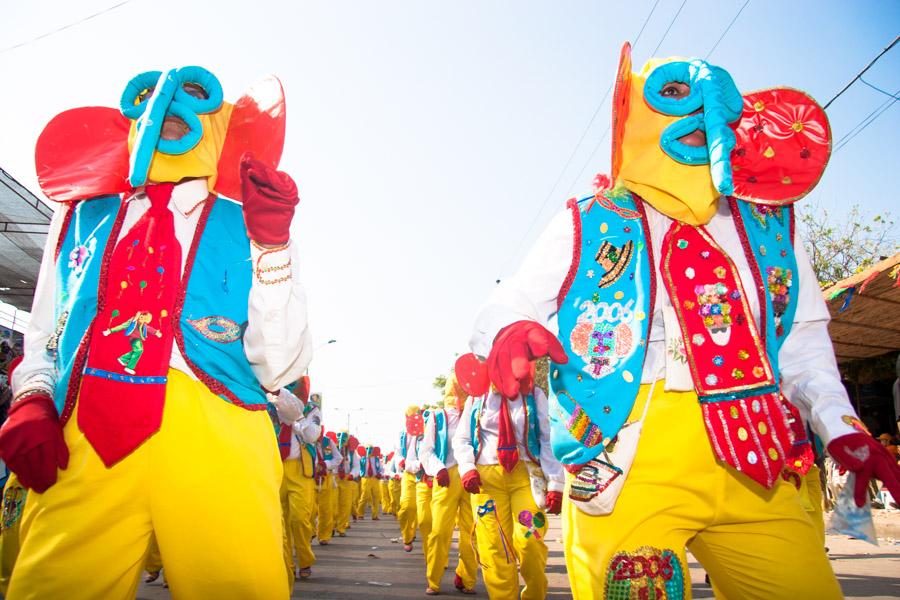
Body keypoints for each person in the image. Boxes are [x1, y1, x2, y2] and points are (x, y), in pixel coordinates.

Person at [463, 43, 900, 599]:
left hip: (756, 457)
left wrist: (840, 424)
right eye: (674, 97)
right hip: (629, 454)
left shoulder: (771, 227)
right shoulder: (590, 219)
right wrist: (507, 331)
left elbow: (801, 342)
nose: (703, 118)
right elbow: (510, 300)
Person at [0, 66, 311, 599]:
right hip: (86, 435)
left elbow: (280, 367)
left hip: (219, 435)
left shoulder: (252, 218)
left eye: (194, 95)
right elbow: (45, 330)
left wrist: (273, 248)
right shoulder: (78, 213)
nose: (169, 105)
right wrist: (30, 398)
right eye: (148, 97)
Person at [452, 361, 564, 600]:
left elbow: (547, 439)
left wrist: (556, 482)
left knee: (529, 541)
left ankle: (534, 594)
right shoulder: (477, 398)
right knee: (495, 548)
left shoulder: (535, 395)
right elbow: (461, 439)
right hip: (487, 482)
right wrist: (467, 468)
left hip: (526, 478)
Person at [419, 374, 478, 596]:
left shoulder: (476, 412)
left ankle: (467, 577)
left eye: (462, 387)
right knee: (439, 532)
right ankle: (433, 580)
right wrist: (438, 469)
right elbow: (426, 450)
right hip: (446, 477)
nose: (459, 391)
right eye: (456, 386)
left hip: (472, 476)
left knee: (471, 532)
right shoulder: (437, 417)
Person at [280, 383, 321, 580]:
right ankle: (286, 565)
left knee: (299, 519)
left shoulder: (311, 407)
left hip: (300, 469)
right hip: (276, 468)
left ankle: (305, 559)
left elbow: (312, 435)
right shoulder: (270, 402)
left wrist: (296, 418)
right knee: (281, 524)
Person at [397, 406, 424, 552]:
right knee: (407, 508)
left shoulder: (428, 430)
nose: (414, 419)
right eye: (411, 416)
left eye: (417, 415)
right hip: (408, 476)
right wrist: (400, 461)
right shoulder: (403, 435)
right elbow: (398, 454)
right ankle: (407, 536)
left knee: (425, 513)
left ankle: (433, 553)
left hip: (425, 475)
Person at [316, 430, 342, 545]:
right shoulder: (302, 437)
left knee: (326, 510)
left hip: (326, 478)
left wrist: (326, 464)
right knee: (308, 510)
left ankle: (323, 536)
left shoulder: (327, 441)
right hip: (307, 477)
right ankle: (310, 532)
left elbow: (338, 458)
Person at [335, 432, 361, 537]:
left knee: (345, 505)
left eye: (345, 438)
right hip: (334, 477)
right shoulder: (332, 448)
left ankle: (341, 528)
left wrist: (352, 474)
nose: (342, 440)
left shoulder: (351, 452)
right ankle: (331, 526)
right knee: (332, 504)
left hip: (347, 478)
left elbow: (356, 466)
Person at [356, 444, 382, 520]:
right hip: (365, 479)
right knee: (364, 496)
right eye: (367, 448)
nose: (369, 450)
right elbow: (357, 467)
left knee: (376, 497)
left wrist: (380, 473)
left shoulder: (377, 459)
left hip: (375, 479)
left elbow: (381, 468)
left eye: (370, 448)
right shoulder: (362, 459)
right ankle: (360, 513)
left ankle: (375, 515)